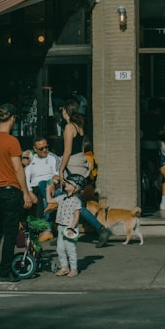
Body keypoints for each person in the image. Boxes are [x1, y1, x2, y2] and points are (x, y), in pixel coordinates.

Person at [0, 103, 33, 283]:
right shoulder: (12, 141)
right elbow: (18, 170)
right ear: (12, 118)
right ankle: (4, 272)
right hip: (11, 189)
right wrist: (25, 193)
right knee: (10, 233)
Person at [58, 98, 112, 246]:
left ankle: (101, 229)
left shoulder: (69, 127)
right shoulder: (79, 126)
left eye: (62, 109)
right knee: (72, 202)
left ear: (66, 111)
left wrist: (61, 170)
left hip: (72, 167)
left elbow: (67, 151)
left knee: (73, 203)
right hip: (80, 166)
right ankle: (66, 234)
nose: (61, 112)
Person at [48, 173, 86, 277]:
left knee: (70, 249)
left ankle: (74, 269)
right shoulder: (62, 197)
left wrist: (71, 228)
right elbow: (49, 200)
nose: (66, 184)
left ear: (76, 188)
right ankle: (64, 267)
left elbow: (76, 216)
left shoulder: (76, 201)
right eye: (67, 182)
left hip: (70, 228)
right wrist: (48, 189)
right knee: (60, 248)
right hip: (61, 227)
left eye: (69, 183)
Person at [24, 137, 60, 220]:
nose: (45, 150)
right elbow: (26, 177)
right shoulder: (30, 158)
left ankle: (40, 222)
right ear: (35, 149)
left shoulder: (53, 158)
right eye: (41, 148)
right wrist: (29, 192)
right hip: (33, 188)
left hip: (49, 186)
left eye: (46, 147)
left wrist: (52, 183)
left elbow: (57, 175)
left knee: (42, 186)